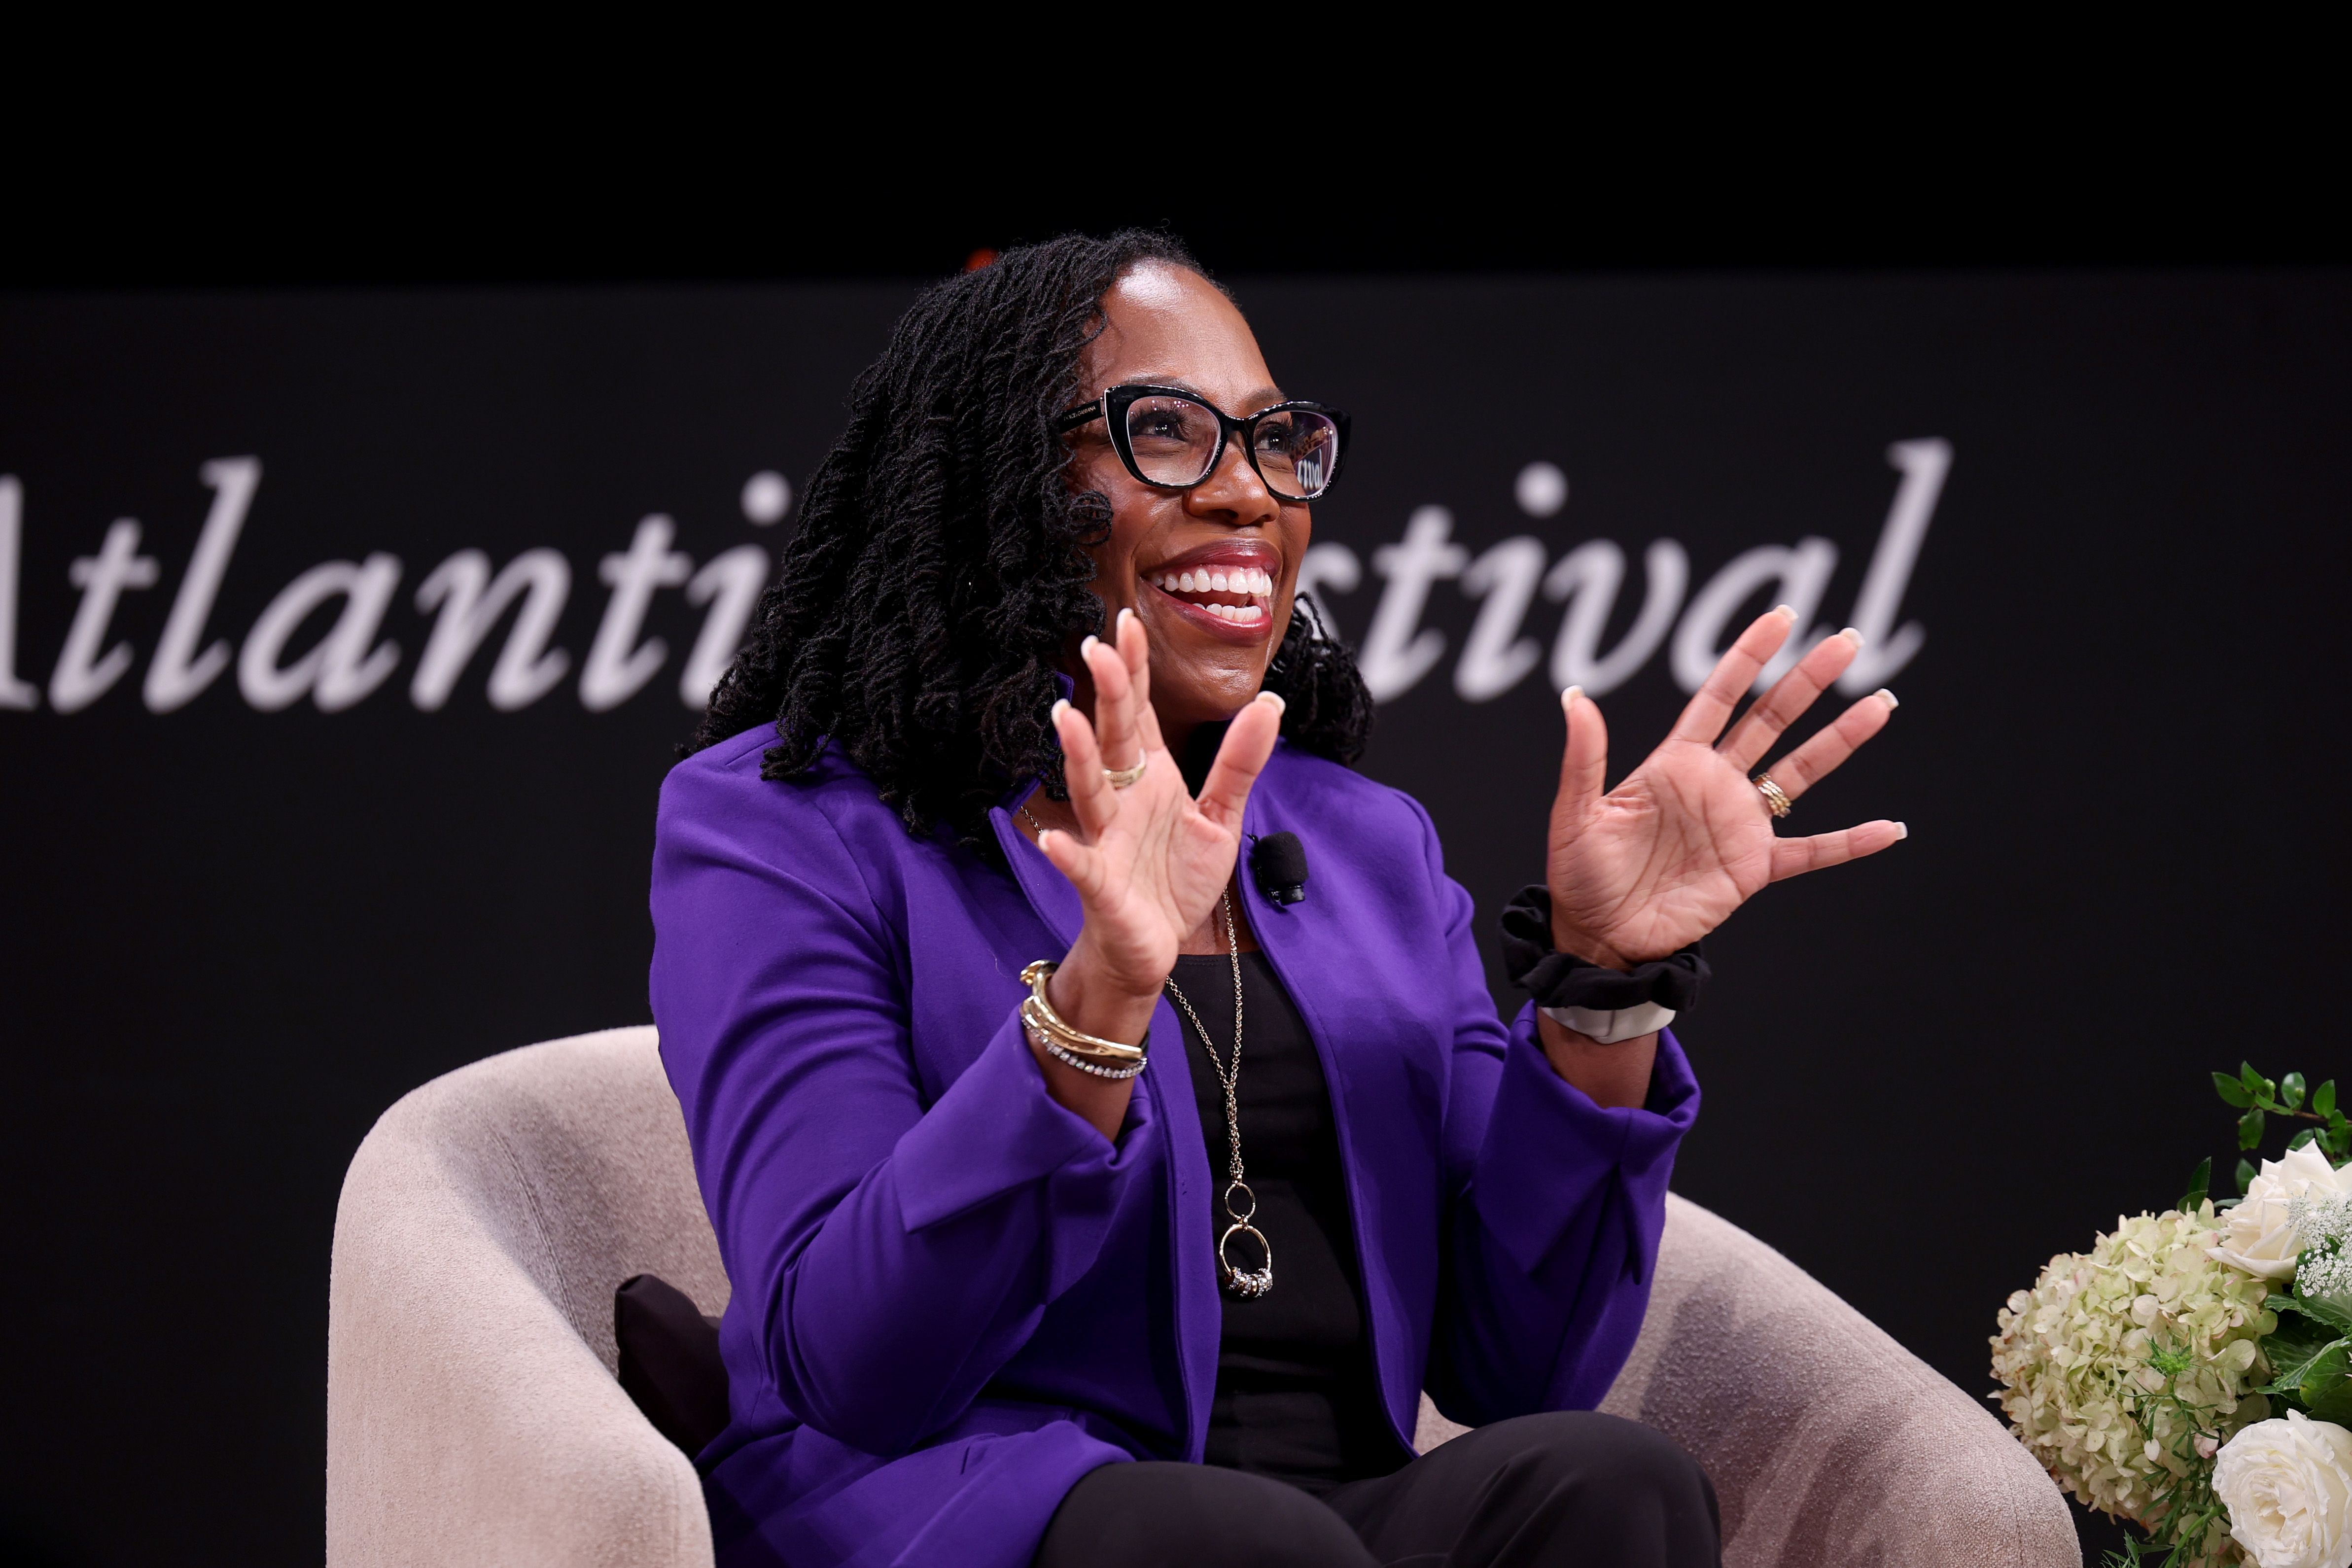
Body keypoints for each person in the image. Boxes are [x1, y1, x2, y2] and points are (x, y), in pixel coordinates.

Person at [650, 232, 1903, 1568]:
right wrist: (1095, 1007)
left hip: (1320, 1517)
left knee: (1609, 1483)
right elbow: (857, 1368)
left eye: (1273, 442)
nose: (1250, 494)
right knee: (1224, 1540)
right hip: (965, 1501)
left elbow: (1517, 1366)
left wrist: (1601, 990)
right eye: (1168, 434)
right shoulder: (787, 828)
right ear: (994, 484)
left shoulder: (1362, 843)